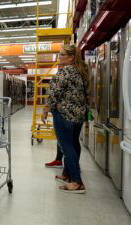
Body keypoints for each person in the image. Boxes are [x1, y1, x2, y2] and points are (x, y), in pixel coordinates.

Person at [42, 44, 89, 194]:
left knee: (66, 146)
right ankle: (68, 174)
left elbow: (54, 93)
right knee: (73, 144)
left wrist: (45, 109)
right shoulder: (79, 72)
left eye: (62, 54)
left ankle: (76, 182)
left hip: (64, 114)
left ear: (71, 58)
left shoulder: (64, 72)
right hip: (78, 114)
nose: (59, 57)